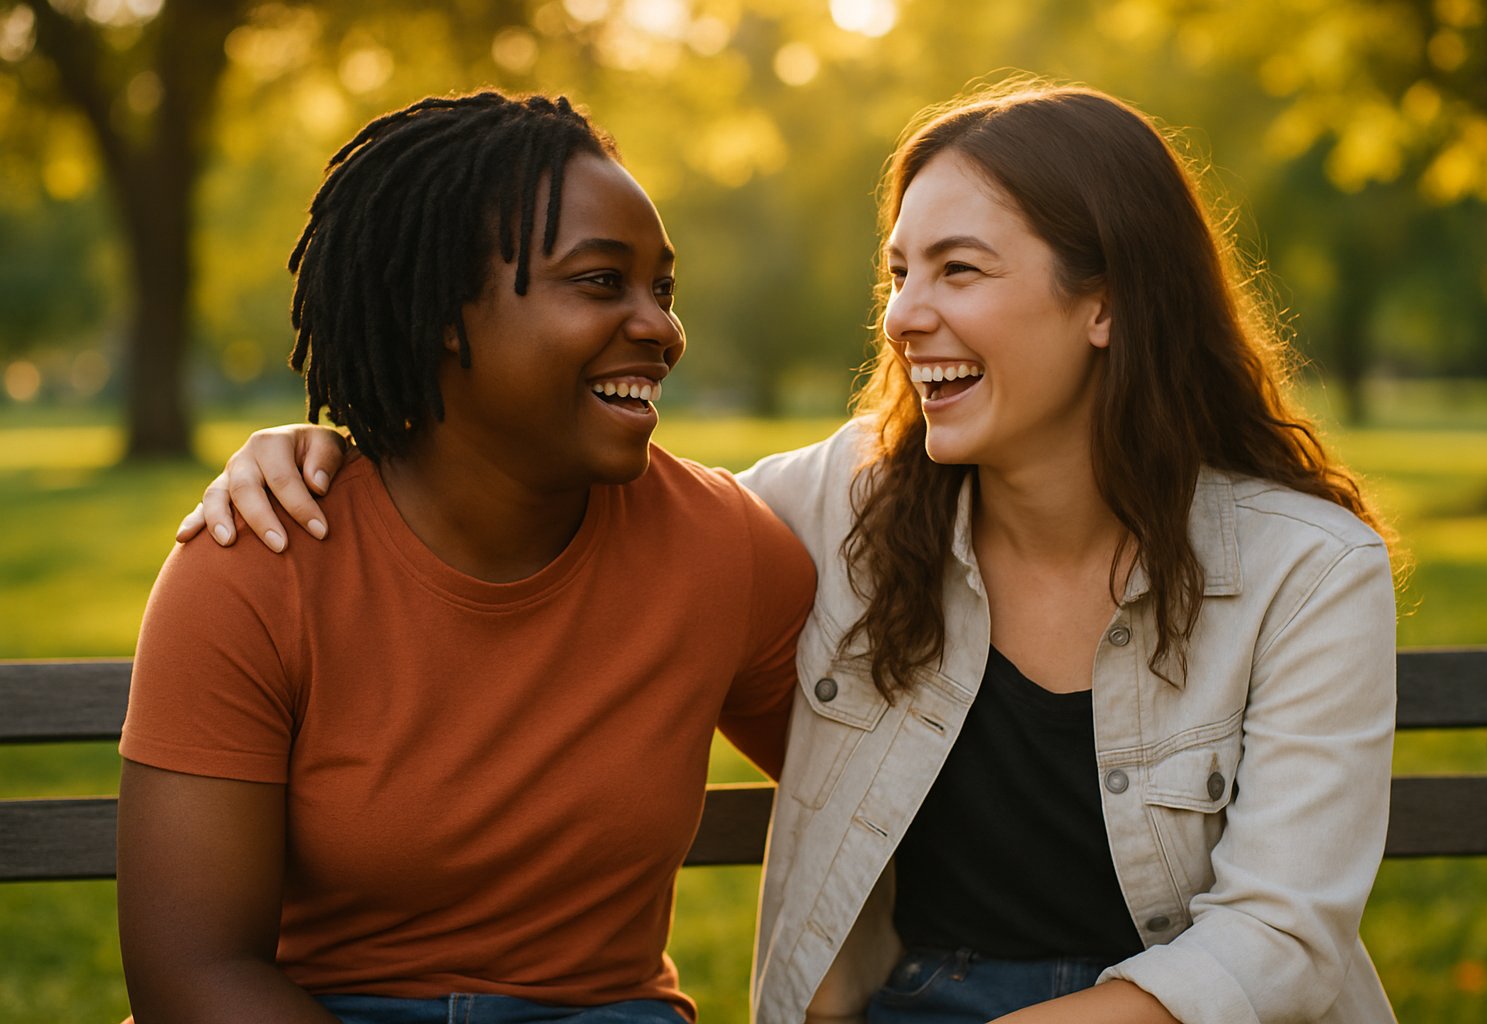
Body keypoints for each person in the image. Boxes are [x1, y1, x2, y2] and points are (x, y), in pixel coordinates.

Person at [179, 79, 1400, 1024]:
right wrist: (337, 438)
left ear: (1107, 302)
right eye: (898, 272)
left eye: (958, 270)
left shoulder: (1306, 569)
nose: (905, 313)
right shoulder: (825, 518)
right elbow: (550, 462)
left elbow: (1280, 937)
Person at [117, 90, 815, 1024]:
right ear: (444, 313)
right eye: (601, 282)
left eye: (663, 290)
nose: (659, 327)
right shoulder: (261, 561)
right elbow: (195, 972)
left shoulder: (720, 546)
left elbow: (887, 789)